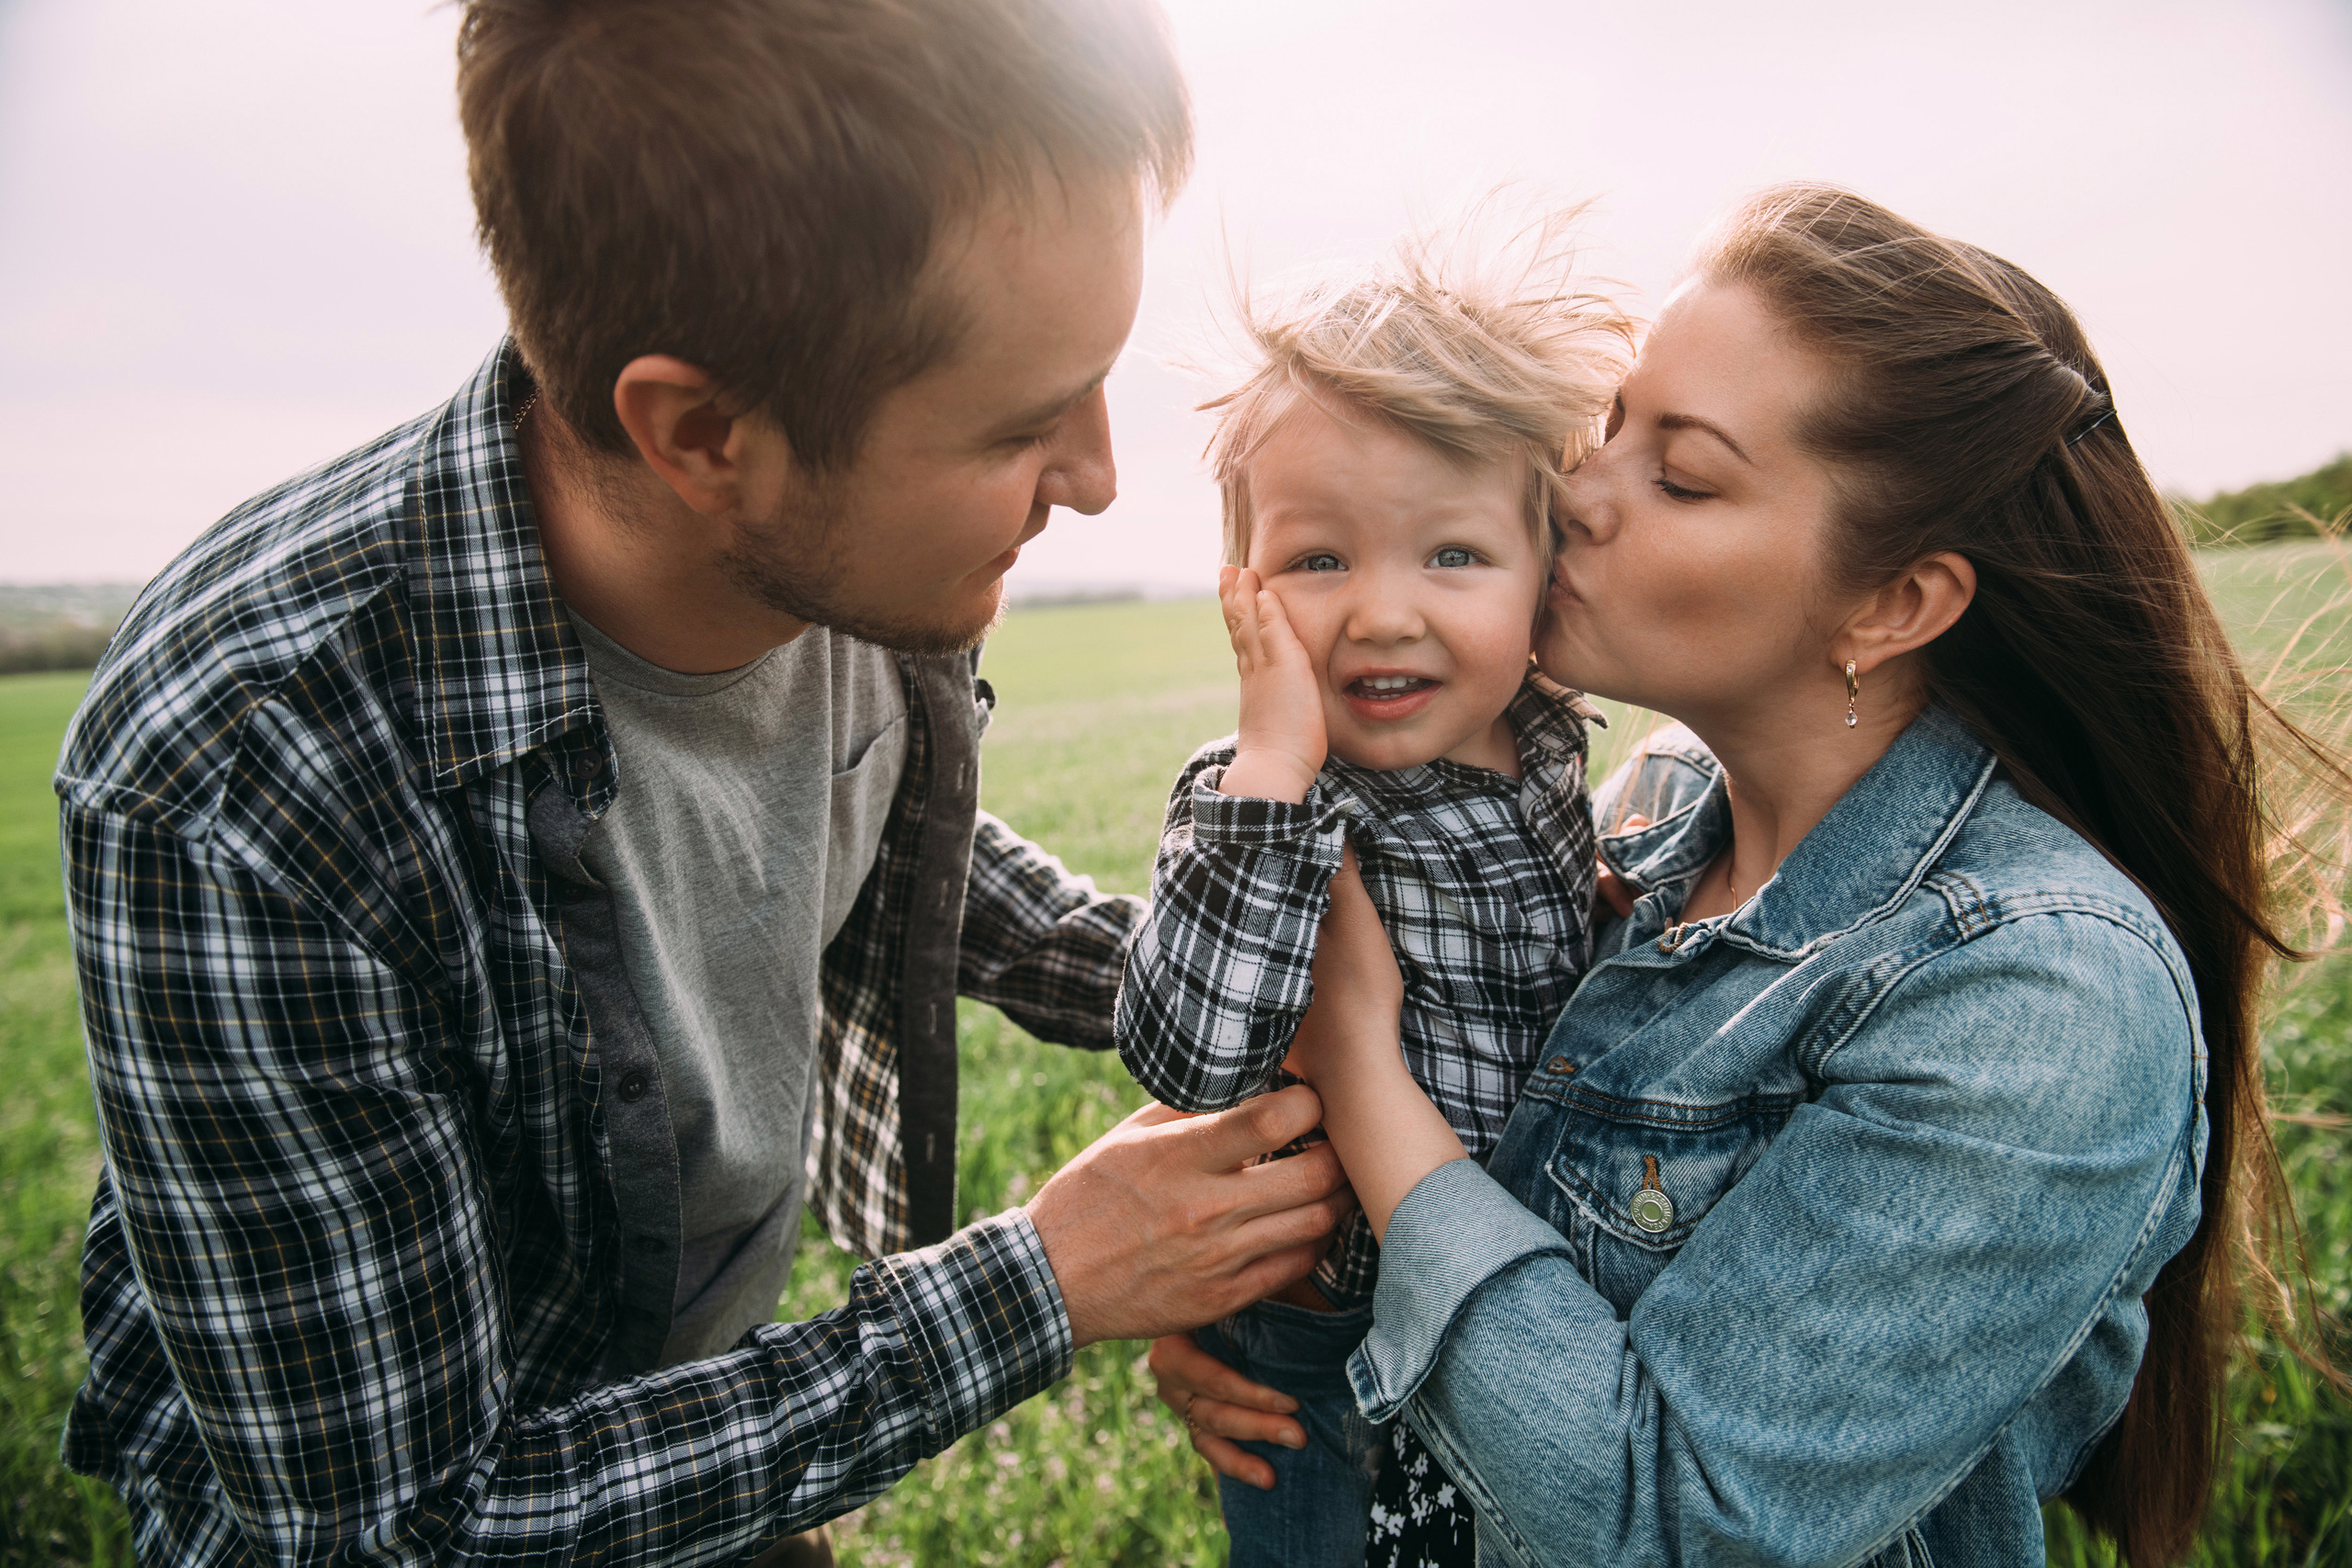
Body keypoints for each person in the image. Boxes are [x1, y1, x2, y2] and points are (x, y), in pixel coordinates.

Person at [52, 2, 1351, 1561]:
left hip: (705, 1440)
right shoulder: (244, 777)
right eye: (1021, 425)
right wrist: (1052, 1279)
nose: (1097, 476)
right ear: (701, 433)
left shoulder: (849, 552)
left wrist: (1260, 986)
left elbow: (866, 832)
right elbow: (399, 1528)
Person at [1155, 183, 2335, 1566]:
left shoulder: (2040, 991)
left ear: (1892, 604)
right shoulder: (1652, 811)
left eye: (1683, 474)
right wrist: (1253, 1277)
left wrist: (1358, 1073)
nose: (1574, 494)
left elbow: (1676, 1523)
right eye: (1611, 431)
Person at [1113, 216, 1629, 1565]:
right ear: (1247, 590)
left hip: (1518, 1283)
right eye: (1320, 559)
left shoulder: (1555, 750)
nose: (1385, 612)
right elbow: (1187, 1054)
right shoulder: (1259, 801)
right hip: (1318, 1326)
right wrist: (1276, 770)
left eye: (1452, 556)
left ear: (1544, 578)